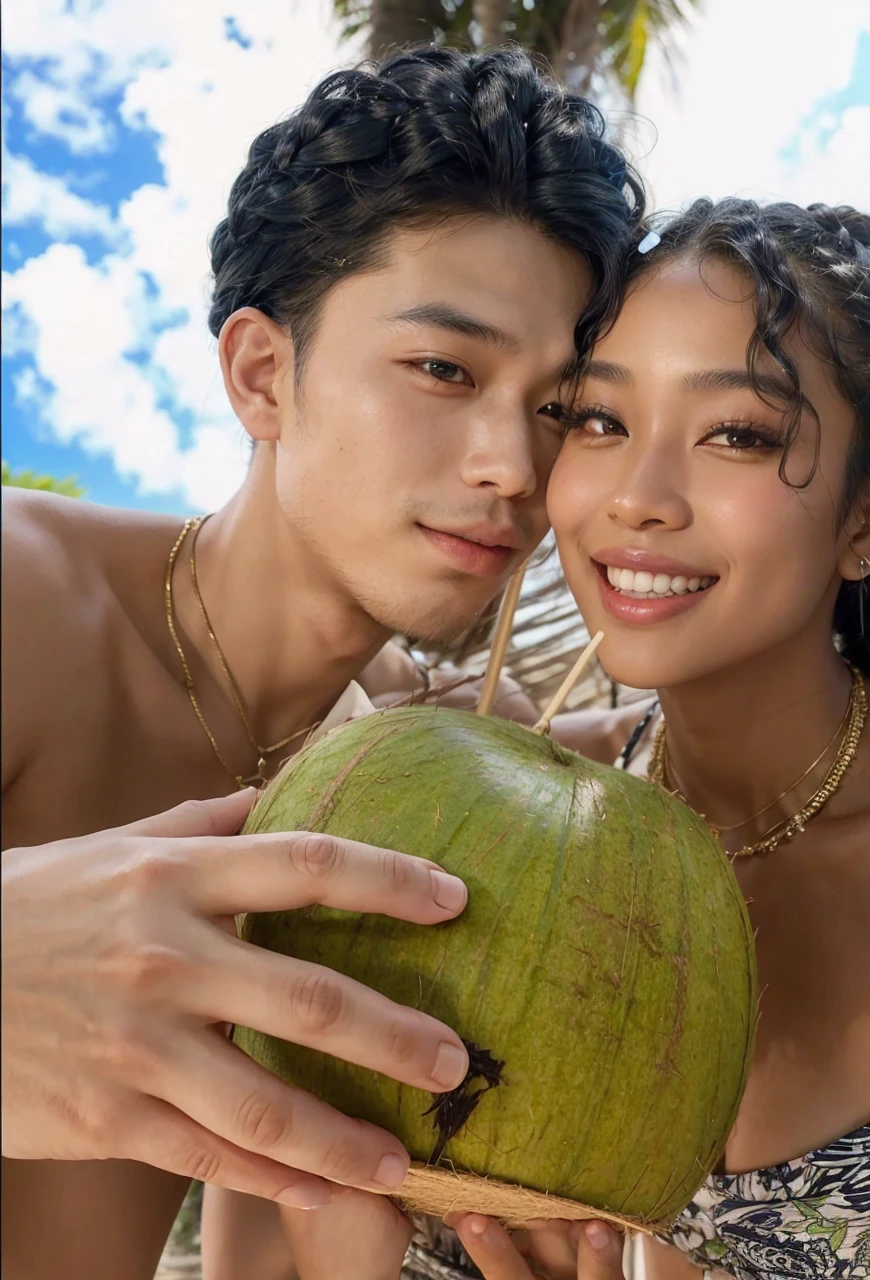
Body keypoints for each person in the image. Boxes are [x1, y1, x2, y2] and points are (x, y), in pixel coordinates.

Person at [276, 197, 870, 1280]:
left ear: (868, 518)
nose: (637, 498)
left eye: (736, 432)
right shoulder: (470, 806)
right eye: (597, 420)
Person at [0, 45, 644, 1280]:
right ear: (261, 373)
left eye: (559, 408)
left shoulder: (450, 754)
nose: (514, 464)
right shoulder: (25, 600)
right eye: (444, 368)